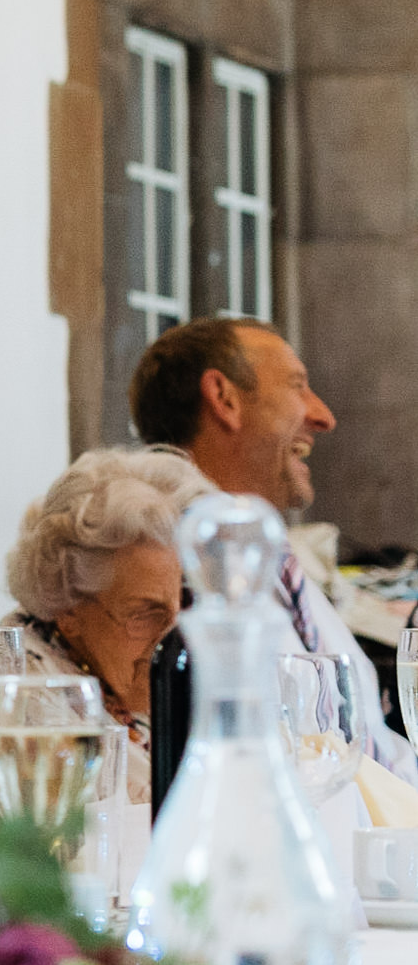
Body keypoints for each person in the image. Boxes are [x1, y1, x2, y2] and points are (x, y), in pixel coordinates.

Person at [128, 318, 395, 756]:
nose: (324, 417)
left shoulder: (273, 562)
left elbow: (371, 752)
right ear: (224, 398)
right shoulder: (162, 576)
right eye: (297, 385)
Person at [0, 447, 212, 801]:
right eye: (145, 614)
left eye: (181, 606)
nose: (174, 640)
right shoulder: (27, 695)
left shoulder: (139, 680)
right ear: (68, 609)